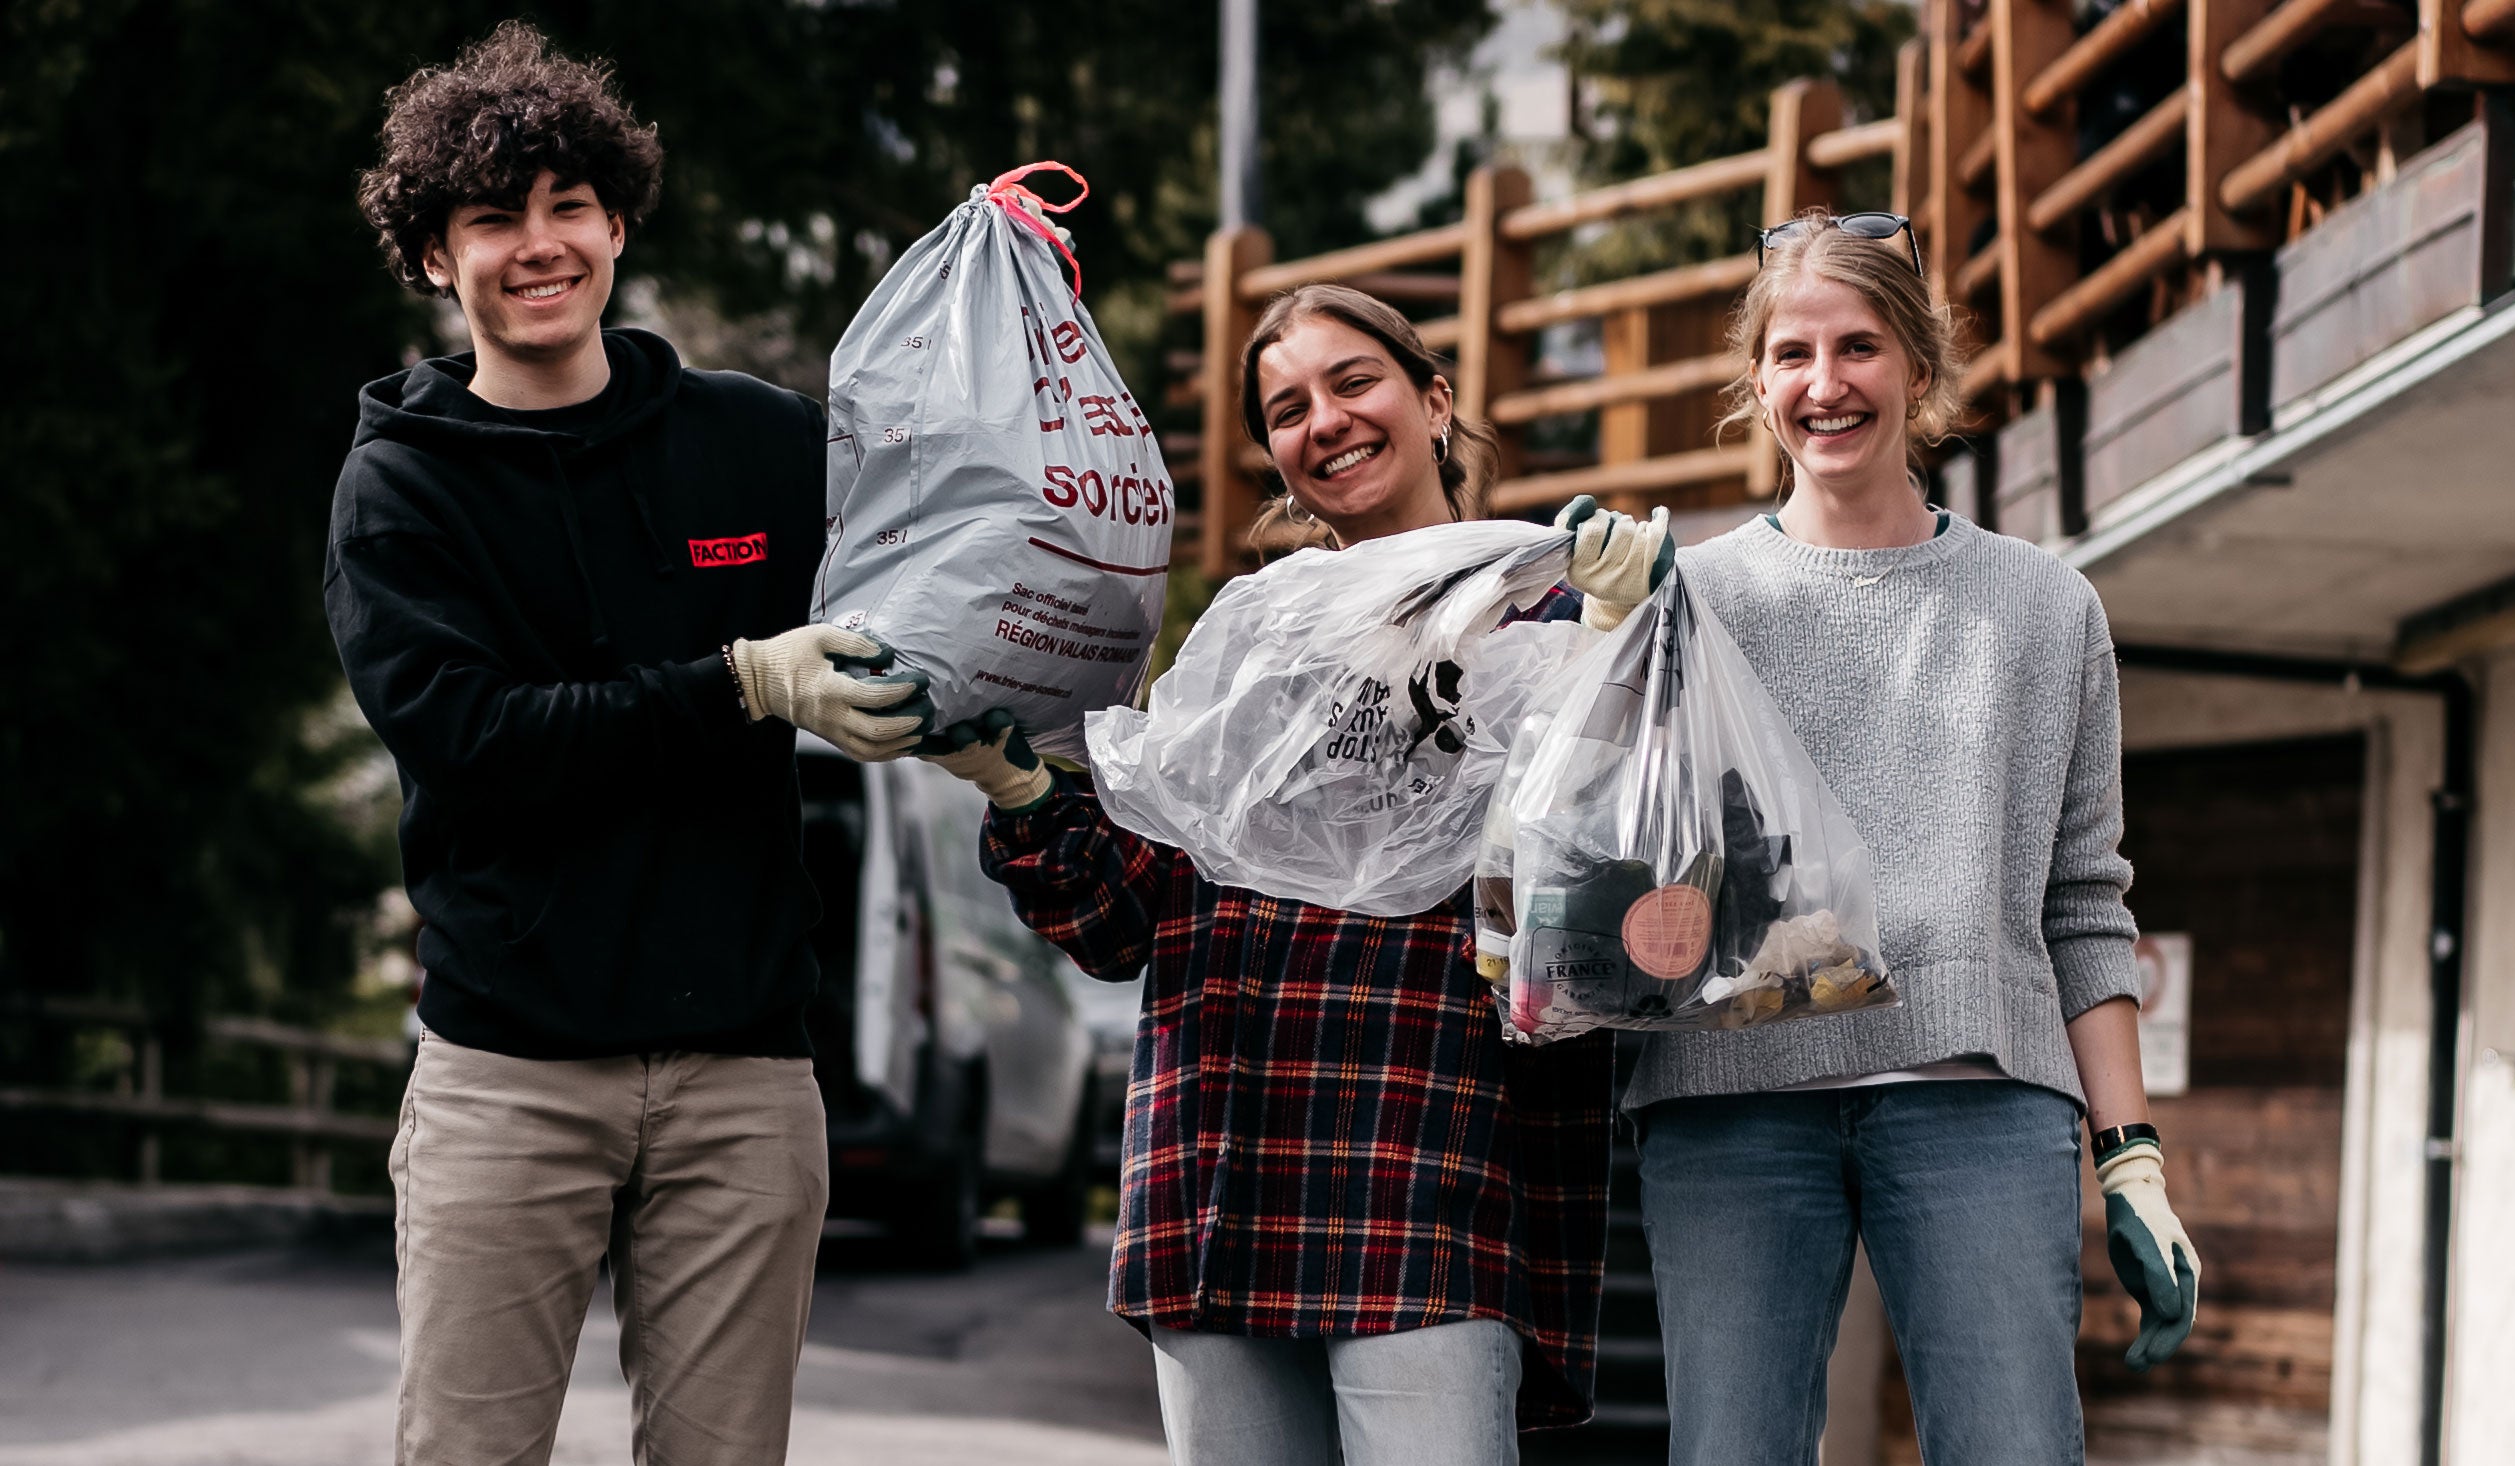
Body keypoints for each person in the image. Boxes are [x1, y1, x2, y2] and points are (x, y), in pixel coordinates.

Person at [917, 284, 1670, 1466]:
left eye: (1353, 382)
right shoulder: (1249, 635)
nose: (1323, 418)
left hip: (1423, 1161)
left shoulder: (1558, 613)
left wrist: (1626, 660)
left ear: (1435, 398)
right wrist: (1021, 793)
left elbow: (1615, 931)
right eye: (1286, 407)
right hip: (1215, 1163)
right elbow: (1128, 921)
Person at [325, 24, 926, 1465]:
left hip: (744, 1074)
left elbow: (924, 591)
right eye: (492, 218)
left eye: (567, 207)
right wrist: (738, 683)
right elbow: (476, 742)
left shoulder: (761, 447)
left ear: (615, 220)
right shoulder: (398, 490)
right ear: (430, 255)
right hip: (508, 1072)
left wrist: (983, 719)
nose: (540, 245)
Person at [1625, 210, 2201, 1466]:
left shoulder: (2044, 608)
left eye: (1859, 348)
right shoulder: (1689, 600)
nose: (1823, 385)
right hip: (1733, 1103)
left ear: (1920, 372)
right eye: (1790, 354)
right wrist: (1593, 641)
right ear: (1757, 382)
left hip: (1978, 1101)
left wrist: (2133, 1158)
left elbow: (2083, 901)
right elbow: (1621, 871)